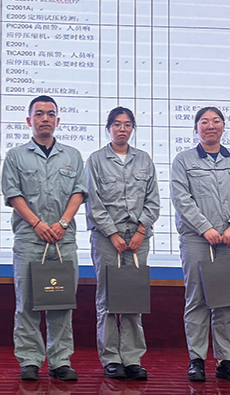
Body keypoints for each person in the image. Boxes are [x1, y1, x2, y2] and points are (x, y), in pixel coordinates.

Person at [1, 95, 86, 382]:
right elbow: (13, 194)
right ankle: (29, 360)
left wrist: (63, 223)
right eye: (39, 114)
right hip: (30, 239)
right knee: (27, 304)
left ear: (58, 120)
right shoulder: (16, 156)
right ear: (29, 120)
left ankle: (60, 361)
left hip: (63, 240)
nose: (45, 118)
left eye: (50, 114)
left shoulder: (72, 155)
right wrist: (37, 223)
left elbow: (79, 192)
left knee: (61, 302)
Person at [170, 106, 230, 383]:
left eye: (216, 121)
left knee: (227, 303)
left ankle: (225, 361)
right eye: (204, 121)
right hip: (197, 240)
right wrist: (204, 227)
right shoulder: (183, 160)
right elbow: (181, 198)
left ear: (223, 126)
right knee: (197, 301)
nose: (210, 126)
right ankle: (196, 360)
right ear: (196, 128)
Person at [85, 107, 159, 381]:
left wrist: (141, 229)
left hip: (138, 239)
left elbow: (153, 200)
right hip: (107, 240)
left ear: (132, 129)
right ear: (108, 128)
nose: (122, 129)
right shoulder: (96, 160)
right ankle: (111, 359)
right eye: (117, 124)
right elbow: (93, 203)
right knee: (107, 300)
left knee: (133, 299)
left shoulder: (144, 159)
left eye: (127, 124)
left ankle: (132, 358)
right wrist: (112, 234)